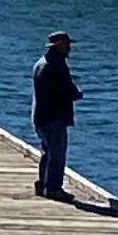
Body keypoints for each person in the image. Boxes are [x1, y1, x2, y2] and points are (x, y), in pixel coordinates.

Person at [31, 28, 80, 201]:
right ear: (59, 45)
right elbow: (65, 88)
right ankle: (53, 188)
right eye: (67, 45)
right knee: (57, 155)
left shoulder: (41, 63)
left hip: (39, 117)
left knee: (47, 152)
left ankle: (42, 184)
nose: (69, 48)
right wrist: (76, 94)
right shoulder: (56, 65)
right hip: (54, 117)